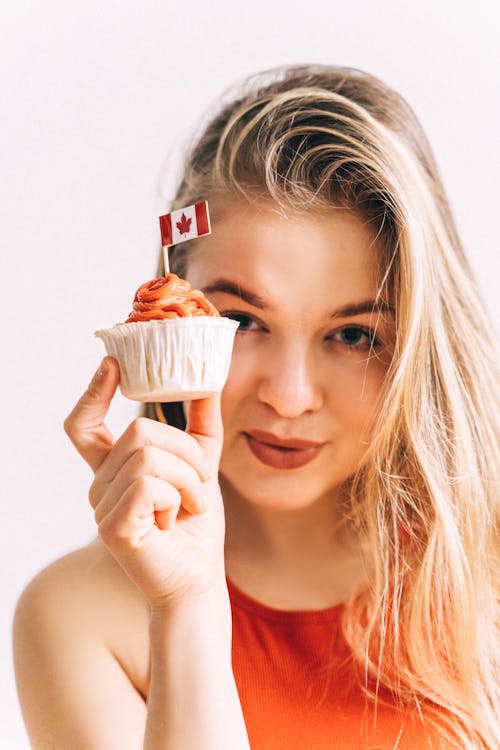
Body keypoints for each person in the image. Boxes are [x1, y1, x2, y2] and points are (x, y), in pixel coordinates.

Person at [13, 64, 499, 749]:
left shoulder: (488, 576)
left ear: (420, 344)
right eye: (242, 322)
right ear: (171, 313)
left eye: (354, 335)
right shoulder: (78, 615)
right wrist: (187, 609)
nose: (289, 396)